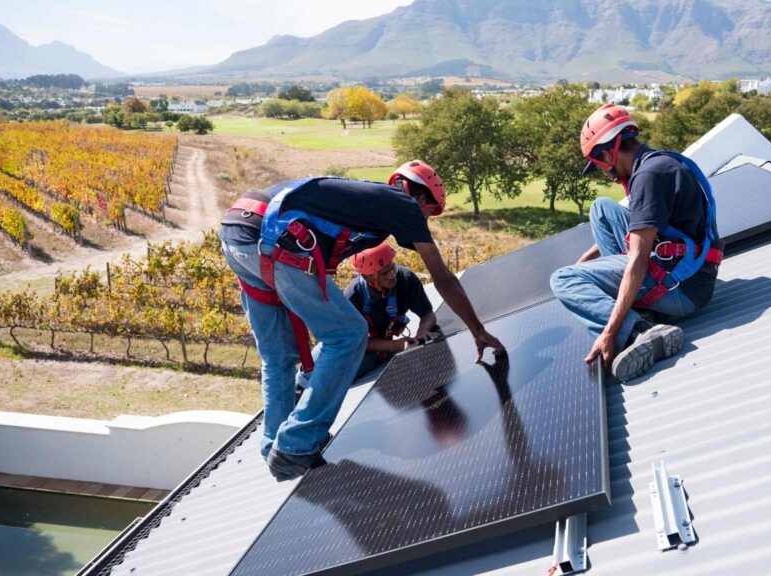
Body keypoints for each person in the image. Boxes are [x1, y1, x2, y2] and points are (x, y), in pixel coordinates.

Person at [220, 160, 505, 480]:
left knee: (279, 357)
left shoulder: (363, 204)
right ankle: (295, 444)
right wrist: (478, 332)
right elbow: (443, 278)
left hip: (238, 234)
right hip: (273, 237)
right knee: (348, 334)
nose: (424, 220)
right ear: (418, 198)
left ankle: (276, 446)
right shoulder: (402, 203)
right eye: (429, 212)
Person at [550, 103, 724, 382]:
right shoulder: (658, 162)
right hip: (691, 271)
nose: (603, 172)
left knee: (562, 279)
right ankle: (633, 308)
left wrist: (609, 332)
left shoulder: (648, 177)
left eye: (598, 165)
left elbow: (639, 259)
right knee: (602, 209)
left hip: (683, 290)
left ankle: (641, 331)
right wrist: (588, 260)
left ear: (607, 152)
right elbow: (643, 227)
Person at [346, 243, 439, 379]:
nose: (392, 276)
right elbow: (357, 342)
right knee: (356, 368)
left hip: (385, 338)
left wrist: (423, 330)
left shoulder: (406, 279)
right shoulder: (353, 297)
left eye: (392, 268)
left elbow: (427, 314)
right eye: (384, 273)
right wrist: (395, 345)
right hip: (362, 344)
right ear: (367, 277)